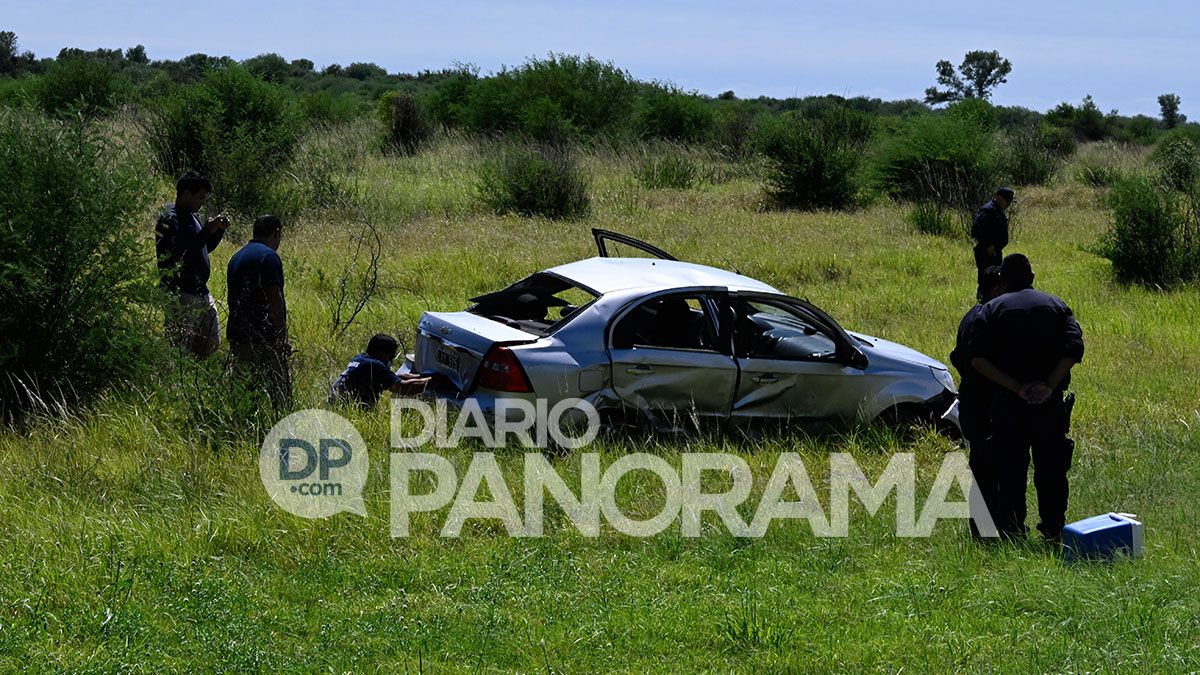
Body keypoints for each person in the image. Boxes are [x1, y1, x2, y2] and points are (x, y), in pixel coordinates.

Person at [967, 254, 1084, 541]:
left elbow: (977, 359)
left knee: (1010, 470)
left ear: (1002, 281)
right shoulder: (1056, 306)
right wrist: (1048, 385)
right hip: (1050, 406)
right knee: (1052, 470)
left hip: (1009, 406)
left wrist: (1015, 387)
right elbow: (1074, 347)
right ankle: (1054, 529)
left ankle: (1012, 530)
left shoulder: (991, 310)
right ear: (1032, 278)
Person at [949, 265, 1003, 538]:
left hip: (972, 402)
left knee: (981, 466)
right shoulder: (988, 319)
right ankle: (988, 530)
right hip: (985, 405)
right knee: (988, 469)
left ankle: (983, 529)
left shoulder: (971, 315)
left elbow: (956, 357)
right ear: (996, 288)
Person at [155, 172, 230, 356]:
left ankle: (198, 380)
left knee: (209, 345)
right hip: (181, 293)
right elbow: (183, 255)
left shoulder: (192, 216)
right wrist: (206, 231)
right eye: (200, 197)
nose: (202, 202)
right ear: (186, 194)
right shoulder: (170, 219)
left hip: (200, 292)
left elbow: (203, 248)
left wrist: (217, 231)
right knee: (180, 350)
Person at [227, 214, 290, 408]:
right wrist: (281, 335)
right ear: (277, 233)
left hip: (238, 332)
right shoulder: (269, 257)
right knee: (278, 390)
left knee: (242, 389)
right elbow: (274, 299)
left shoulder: (237, 256)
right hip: (263, 335)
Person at [330, 334, 431, 407]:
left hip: (336, 403)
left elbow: (394, 377)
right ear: (382, 353)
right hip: (345, 408)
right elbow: (402, 387)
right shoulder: (375, 365)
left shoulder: (361, 359)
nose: (390, 361)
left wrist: (422, 376)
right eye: (390, 357)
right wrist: (432, 382)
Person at [971, 187, 1014, 283]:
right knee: (986, 278)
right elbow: (976, 230)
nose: (1008, 203)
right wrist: (988, 245)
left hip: (996, 251)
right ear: (999, 198)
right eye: (1006, 200)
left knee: (996, 279)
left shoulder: (998, 210)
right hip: (986, 252)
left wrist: (996, 247)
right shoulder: (988, 210)